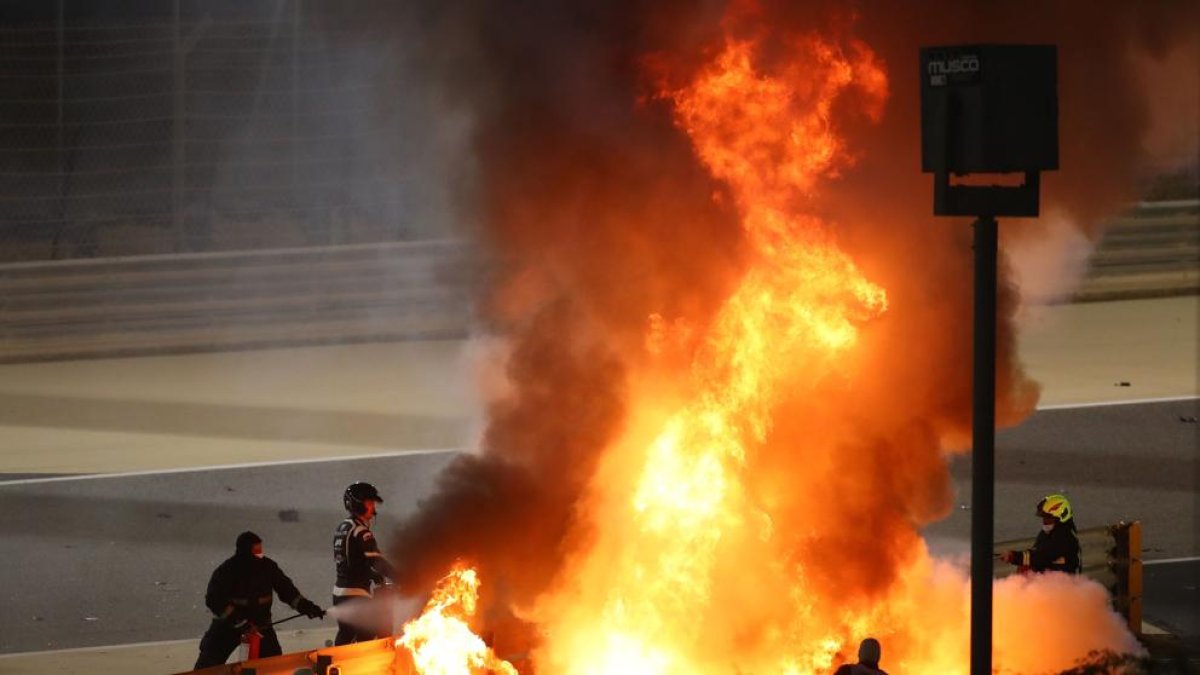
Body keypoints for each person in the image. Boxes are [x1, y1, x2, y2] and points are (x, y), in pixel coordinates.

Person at [194, 531, 325, 669]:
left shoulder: (268, 567)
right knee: (207, 665)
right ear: (244, 551)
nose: (260, 554)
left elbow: (288, 591)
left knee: (274, 666)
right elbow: (213, 599)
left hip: (261, 626)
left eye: (260, 550)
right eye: (256, 550)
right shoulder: (227, 570)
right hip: (229, 626)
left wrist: (307, 607)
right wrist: (238, 621)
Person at [332, 481, 396, 645]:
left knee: (346, 638)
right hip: (356, 595)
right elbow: (376, 560)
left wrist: (374, 576)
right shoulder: (361, 531)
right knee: (365, 641)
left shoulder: (343, 527)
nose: (373, 507)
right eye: (369, 503)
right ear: (357, 505)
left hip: (340, 593)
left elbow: (351, 562)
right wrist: (402, 577)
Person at [1001, 493, 1082, 574]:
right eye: (1044, 517)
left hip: (1062, 582)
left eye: (1048, 518)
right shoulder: (1051, 531)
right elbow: (1037, 551)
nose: (1044, 521)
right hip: (1050, 579)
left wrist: (1015, 557)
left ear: (1061, 516)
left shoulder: (1065, 537)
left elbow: (1042, 556)